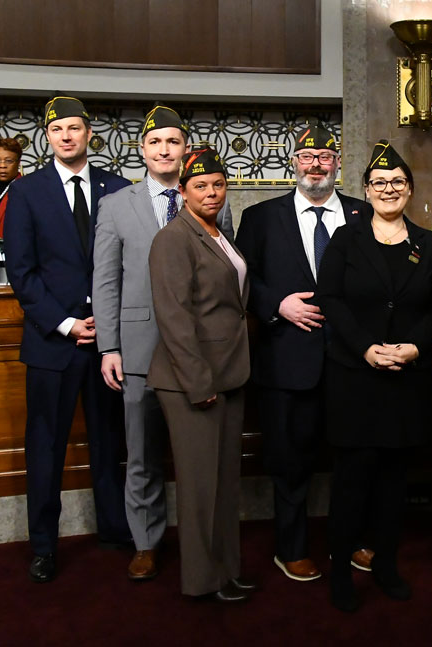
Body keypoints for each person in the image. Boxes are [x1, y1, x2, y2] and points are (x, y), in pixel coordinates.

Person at [93, 105, 233, 582]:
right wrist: (108, 347)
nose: (164, 150)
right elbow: (106, 280)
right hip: (138, 348)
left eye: (173, 141)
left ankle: (203, 546)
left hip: (198, 353)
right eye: (155, 142)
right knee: (142, 450)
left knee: (199, 455)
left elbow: (224, 279)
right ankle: (146, 541)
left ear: (184, 147)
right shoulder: (115, 205)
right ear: (143, 150)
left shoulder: (211, 197)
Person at [235, 122, 371, 583]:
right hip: (287, 361)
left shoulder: (363, 213)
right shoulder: (259, 217)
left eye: (325, 157)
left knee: (353, 458)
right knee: (290, 461)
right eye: (307, 157)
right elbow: (242, 279)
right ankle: (290, 547)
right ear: (294, 163)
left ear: (338, 164)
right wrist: (277, 304)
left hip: (351, 362)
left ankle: (351, 540)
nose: (317, 165)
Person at [4, 96, 132, 583]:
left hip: (107, 342)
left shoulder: (117, 189)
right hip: (53, 343)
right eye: (58, 130)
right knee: (46, 446)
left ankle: (115, 530)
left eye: (75, 128)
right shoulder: (27, 192)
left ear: (88, 133)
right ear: (48, 136)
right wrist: (65, 323)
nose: (67, 136)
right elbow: (22, 271)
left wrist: (107, 320)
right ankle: (43, 545)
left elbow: (127, 264)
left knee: (109, 441)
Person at [317, 140, 432, 612]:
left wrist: (413, 347)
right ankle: (341, 576)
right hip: (355, 378)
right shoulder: (345, 239)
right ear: (365, 191)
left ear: (409, 190)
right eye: (379, 183)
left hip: (406, 380)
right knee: (351, 482)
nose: (389, 189)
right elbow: (331, 300)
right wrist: (366, 348)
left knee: (393, 483)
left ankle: (386, 566)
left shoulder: (428, 242)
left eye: (397, 183)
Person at [147, 147, 253, 602]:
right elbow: (174, 316)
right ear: (182, 192)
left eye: (218, 184)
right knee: (199, 487)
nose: (211, 192)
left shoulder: (218, 231)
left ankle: (227, 569)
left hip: (229, 373)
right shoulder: (174, 237)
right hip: (193, 380)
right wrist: (198, 383)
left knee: (224, 484)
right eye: (200, 186)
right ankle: (202, 580)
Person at [0, 136, 22, 237]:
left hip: (11, 250)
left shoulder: (27, 190)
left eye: (9, 161)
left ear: (18, 162)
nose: (2, 165)